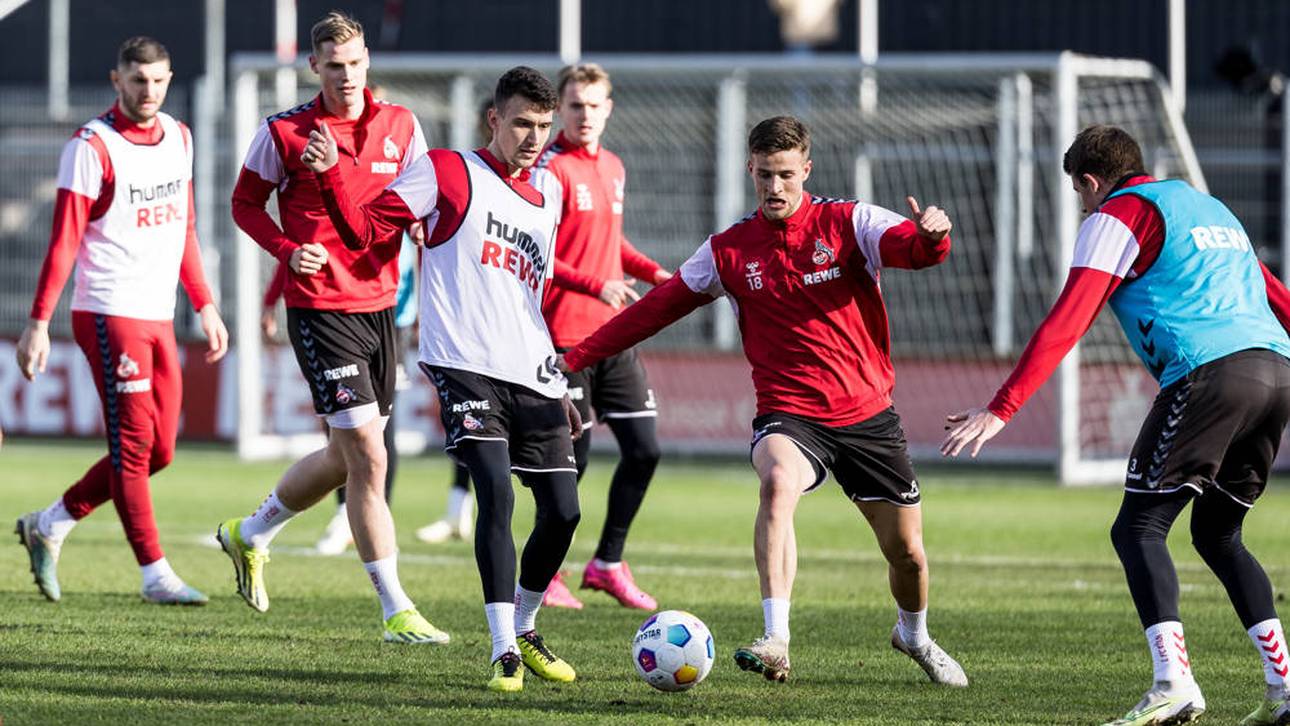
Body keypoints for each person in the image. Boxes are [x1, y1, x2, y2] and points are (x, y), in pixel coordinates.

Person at [557, 115, 968, 687]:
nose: (774, 187)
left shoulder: (850, 222)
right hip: (789, 414)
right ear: (750, 169)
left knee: (908, 556)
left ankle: (914, 635)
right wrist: (574, 358)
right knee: (777, 481)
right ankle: (776, 637)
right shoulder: (728, 251)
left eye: (785, 175)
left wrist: (932, 235)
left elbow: (916, 251)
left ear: (806, 169)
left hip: (867, 414)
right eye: (764, 176)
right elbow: (654, 309)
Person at [943, 125, 1290, 726]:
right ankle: (1284, 689)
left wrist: (1003, 407)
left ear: (1088, 181)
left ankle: (1173, 682)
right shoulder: (1208, 207)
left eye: (1080, 194)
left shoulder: (1118, 213)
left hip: (1209, 373)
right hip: (1276, 371)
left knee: (1139, 528)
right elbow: (1275, 294)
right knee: (1218, 533)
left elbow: (1069, 317)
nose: (1082, 206)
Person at [303, 66, 584, 693]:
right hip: (464, 367)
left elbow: (530, 303)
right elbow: (364, 228)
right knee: (496, 494)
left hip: (533, 374)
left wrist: (559, 383)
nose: (533, 137)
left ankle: (529, 625)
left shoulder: (549, 197)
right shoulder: (448, 171)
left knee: (563, 512)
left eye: (544, 127)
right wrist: (327, 177)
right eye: (521, 124)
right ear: (494, 120)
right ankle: (503, 647)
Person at [216, 11, 449, 645]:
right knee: (371, 457)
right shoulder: (286, 132)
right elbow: (243, 203)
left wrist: (430, 238)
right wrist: (288, 249)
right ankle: (396, 608)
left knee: (345, 458)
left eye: (355, 63)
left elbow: (422, 201)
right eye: (333, 65)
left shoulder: (402, 127)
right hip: (320, 310)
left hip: (382, 309)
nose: (346, 76)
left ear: (368, 59)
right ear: (314, 67)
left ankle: (251, 531)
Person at [13, 36, 228, 605]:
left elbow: (182, 227)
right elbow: (64, 242)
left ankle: (51, 523)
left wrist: (203, 301)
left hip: (159, 313)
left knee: (160, 451)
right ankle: (155, 574)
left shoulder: (179, 137)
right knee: (133, 448)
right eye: (137, 81)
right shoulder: (92, 145)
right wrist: (38, 322)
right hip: (109, 312)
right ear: (117, 81)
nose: (148, 91)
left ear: (169, 78)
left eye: (158, 80)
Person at [532, 63, 671, 611]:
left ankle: (607, 562)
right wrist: (599, 284)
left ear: (609, 108)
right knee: (574, 462)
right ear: (560, 110)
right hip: (564, 341)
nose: (585, 115)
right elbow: (539, 252)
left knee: (645, 449)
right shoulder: (550, 169)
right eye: (574, 106)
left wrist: (659, 274)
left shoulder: (612, 166)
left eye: (594, 105)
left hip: (613, 338)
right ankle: (546, 574)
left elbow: (610, 242)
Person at [412, 96, 498, 547]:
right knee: (470, 427)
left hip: (525, 334)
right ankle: (456, 510)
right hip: (460, 333)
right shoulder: (456, 178)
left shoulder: (541, 188)